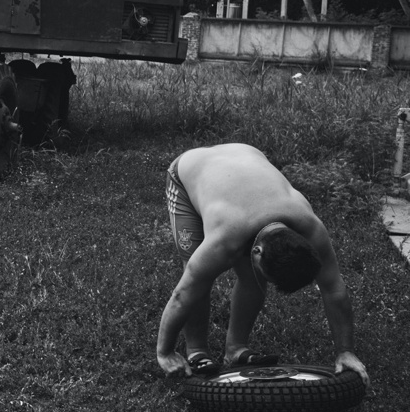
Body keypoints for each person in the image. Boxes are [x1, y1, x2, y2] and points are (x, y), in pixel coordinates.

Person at [156, 143, 369, 385]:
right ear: (255, 251)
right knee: (197, 277)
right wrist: (165, 352)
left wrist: (346, 351)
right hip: (188, 171)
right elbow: (183, 294)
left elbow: (334, 288)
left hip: (247, 156)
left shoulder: (311, 228)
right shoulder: (225, 239)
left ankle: (235, 348)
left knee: (252, 276)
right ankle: (197, 352)